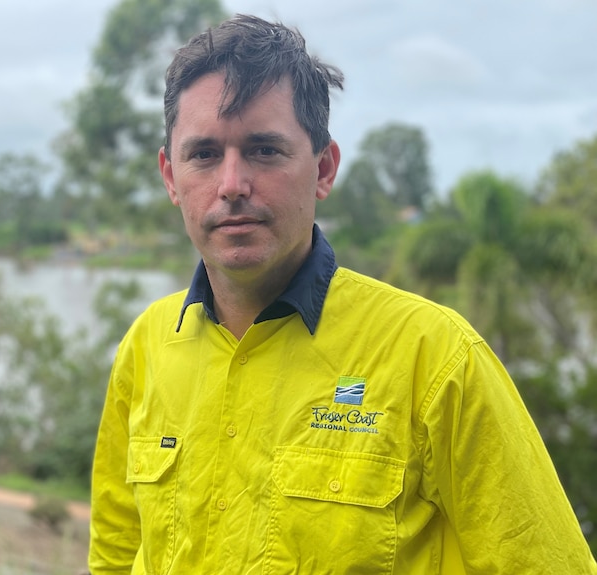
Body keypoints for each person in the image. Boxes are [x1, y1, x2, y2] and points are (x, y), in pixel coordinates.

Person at [87, 13, 597, 574]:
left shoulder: (433, 357)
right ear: (170, 177)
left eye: (264, 150)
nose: (231, 184)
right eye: (204, 154)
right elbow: (116, 550)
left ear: (324, 168)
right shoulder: (148, 347)